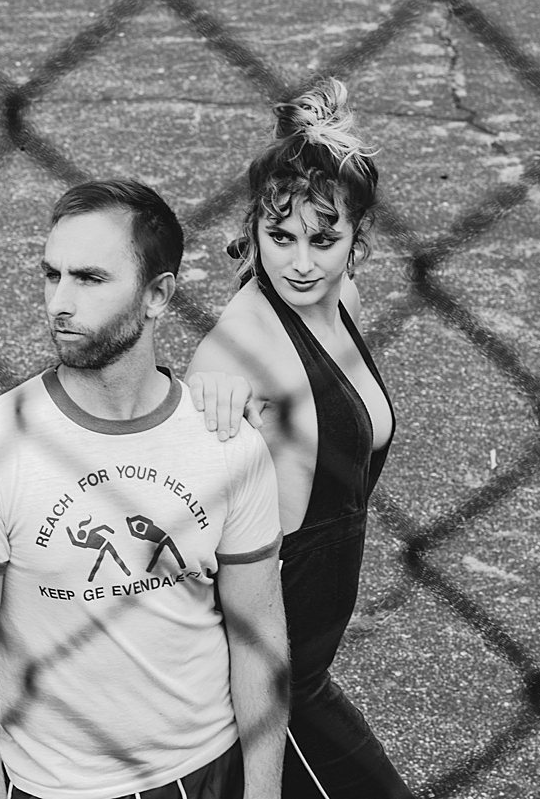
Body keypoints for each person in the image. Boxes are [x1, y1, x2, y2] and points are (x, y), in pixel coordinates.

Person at [0, 179, 289, 799]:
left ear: (157, 296)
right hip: (62, 787)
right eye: (51, 274)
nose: (60, 302)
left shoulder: (225, 442)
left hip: (208, 770)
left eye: (89, 279)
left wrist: (262, 793)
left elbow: (260, 634)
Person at [188, 78, 408, 799]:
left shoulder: (338, 299)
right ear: (252, 228)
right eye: (279, 237)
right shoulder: (234, 354)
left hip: (309, 662)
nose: (301, 262)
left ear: (357, 237)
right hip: (265, 682)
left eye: (324, 238)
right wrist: (201, 401)